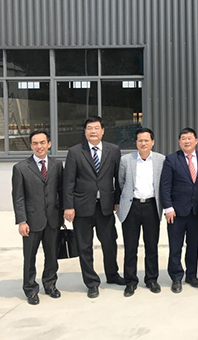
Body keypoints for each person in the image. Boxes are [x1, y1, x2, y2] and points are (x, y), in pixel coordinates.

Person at [63, 116, 124, 298]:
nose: (93, 131)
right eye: (89, 128)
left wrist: (117, 200)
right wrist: (68, 206)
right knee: (85, 246)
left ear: (103, 131)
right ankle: (91, 282)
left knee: (110, 243)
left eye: (96, 128)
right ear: (85, 132)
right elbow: (68, 181)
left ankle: (112, 275)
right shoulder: (75, 152)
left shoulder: (113, 150)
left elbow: (118, 178)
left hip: (105, 206)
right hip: (82, 207)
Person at [12, 130, 63, 305]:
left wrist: (62, 215)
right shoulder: (20, 168)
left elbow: (60, 191)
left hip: (53, 219)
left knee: (52, 255)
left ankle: (50, 285)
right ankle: (30, 289)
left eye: (42, 142)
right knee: (30, 257)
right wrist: (22, 221)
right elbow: (18, 197)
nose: (39, 146)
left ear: (49, 144)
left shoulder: (57, 165)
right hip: (32, 221)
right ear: (31, 145)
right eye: (35, 143)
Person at [160, 128, 198, 293]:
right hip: (176, 212)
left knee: (193, 245)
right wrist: (168, 208)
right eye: (183, 138)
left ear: (196, 141)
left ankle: (191, 275)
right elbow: (165, 186)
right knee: (175, 246)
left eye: (189, 138)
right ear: (179, 141)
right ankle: (176, 277)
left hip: (196, 212)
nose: (186, 141)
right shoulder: (171, 159)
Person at [118, 128, 165, 297]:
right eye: (140, 140)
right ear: (136, 142)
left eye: (146, 140)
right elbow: (121, 182)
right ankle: (130, 281)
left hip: (152, 206)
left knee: (151, 246)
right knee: (130, 247)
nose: (143, 143)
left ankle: (151, 279)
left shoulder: (161, 159)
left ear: (152, 142)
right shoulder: (126, 160)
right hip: (132, 207)